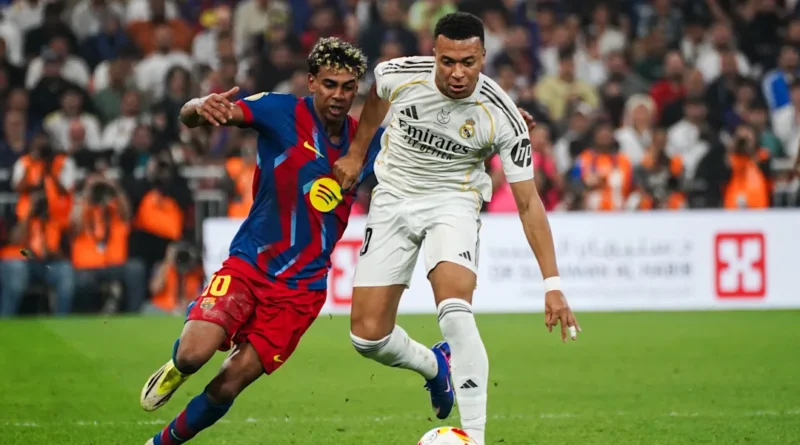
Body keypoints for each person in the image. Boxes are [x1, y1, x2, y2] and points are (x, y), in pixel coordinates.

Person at [333, 12, 580, 445]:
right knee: (367, 337)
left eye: (468, 62)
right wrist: (356, 153)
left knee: (454, 312)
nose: (458, 72)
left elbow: (528, 203)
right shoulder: (396, 74)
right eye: (447, 61)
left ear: (483, 56)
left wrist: (552, 284)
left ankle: (475, 438)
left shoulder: (503, 116)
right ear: (434, 54)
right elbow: (376, 99)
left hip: (454, 202)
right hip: (393, 199)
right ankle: (435, 367)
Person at [137, 38, 381, 445]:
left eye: (348, 87)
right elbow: (192, 117)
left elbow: (425, 149)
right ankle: (177, 367)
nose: (339, 95)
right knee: (193, 355)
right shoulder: (279, 110)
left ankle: (161, 443)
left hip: (301, 291)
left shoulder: (366, 143)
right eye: (329, 84)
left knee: (228, 383)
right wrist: (198, 106)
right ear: (311, 82)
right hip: (251, 264)